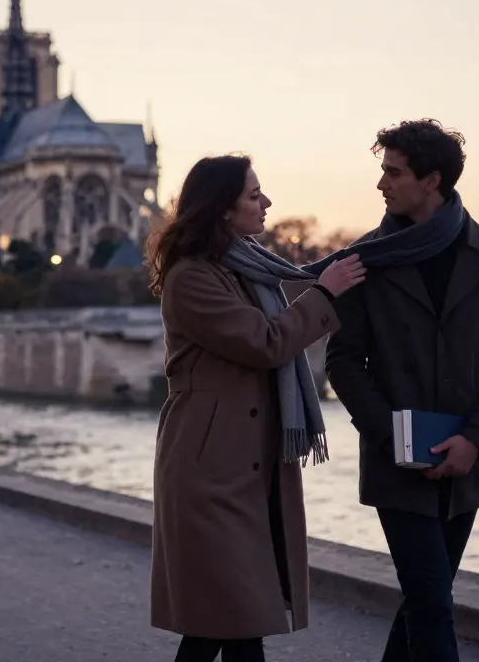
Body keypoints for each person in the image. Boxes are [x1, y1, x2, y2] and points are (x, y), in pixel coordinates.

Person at [325, 119, 479, 662]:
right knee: (433, 605)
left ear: (432, 180)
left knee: (425, 599)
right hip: (399, 466)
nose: (381, 185)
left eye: (393, 173)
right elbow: (344, 363)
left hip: (465, 464)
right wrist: (392, 438)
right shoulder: (364, 261)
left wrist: (476, 439)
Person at [146, 154, 366, 662]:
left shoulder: (245, 271)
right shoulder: (193, 279)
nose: (266, 203)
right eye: (253, 195)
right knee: (232, 616)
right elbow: (264, 342)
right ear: (223, 208)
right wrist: (324, 292)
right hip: (210, 471)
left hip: (249, 463)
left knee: (230, 620)